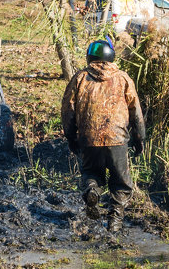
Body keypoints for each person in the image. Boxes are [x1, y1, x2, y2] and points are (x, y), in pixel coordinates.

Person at [60, 39, 147, 233]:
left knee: (91, 174)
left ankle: (92, 191)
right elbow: (136, 112)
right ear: (111, 56)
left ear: (90, 56)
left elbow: (68, 110)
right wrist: (140, 138)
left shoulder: (80, 78)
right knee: (121, 183)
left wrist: (71, 137)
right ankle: (114, 222)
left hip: (89, 139)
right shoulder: (123, 79)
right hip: (117, 139)